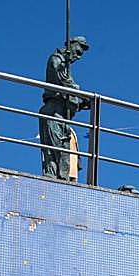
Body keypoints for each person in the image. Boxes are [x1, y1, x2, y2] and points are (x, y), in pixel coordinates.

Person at [38, 37, 91, 179]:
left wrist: (82, 102)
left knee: (61, 151)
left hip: (62, 115)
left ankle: (60, 180)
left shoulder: (65, 66)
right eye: (78, 52)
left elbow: (69, 93)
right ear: (70, 46)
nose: (78, 57)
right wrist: (80, 95)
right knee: (56, 152)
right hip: (54, 112)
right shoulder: (57, 60)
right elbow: (64, 84)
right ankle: (56, 181)